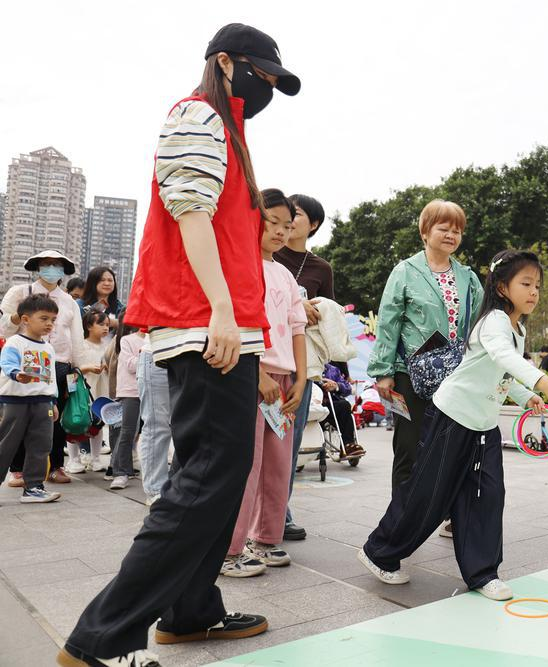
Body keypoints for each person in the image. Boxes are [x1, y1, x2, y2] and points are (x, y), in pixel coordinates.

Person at [60, 23, 300, 666]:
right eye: (261, 74)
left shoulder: (229, 129)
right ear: (224, 63)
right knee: (208, 479)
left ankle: (192, 611)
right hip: (204, 323)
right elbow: (189, 211)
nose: (268, 88)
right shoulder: (197, 116)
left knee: (215, 480)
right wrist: (223, 312)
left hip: (221, 324)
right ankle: (98, 639)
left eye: (276, 82)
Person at [358, 250, 548, 600]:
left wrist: (525, 396)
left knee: (487, 495)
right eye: (526, 283)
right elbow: (503, 357)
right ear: (502, 287)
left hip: (483, 426)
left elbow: (500, 370)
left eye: (538, 285)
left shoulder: (516, 327)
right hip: (452, 417)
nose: (534, 291)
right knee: (428, 495)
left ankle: (483, 574)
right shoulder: (494, 322)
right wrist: (544, 384)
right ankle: (378, 551)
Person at [222, 188, 307, 578]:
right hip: (247, 374)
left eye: (286, 225)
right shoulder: (240, 265)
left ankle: (266, 539)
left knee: (278, 464)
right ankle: (229, 550)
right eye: (270, 222)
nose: (279, 231)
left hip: (284, 381)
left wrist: (301, 379)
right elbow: (234, 326)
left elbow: (297, 328)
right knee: (246, 464)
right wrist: (257, 374)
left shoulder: (286, 275)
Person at [368, 201, 484, 488]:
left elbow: (483, 321)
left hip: (455, 376)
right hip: (409, 374)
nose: (451, 235)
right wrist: (383, 372)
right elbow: (388, 322)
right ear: (425, 232)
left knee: (451, 446)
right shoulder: (405, 271)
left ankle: (448, 512)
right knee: (408, 446)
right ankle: (401, 516)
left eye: (457, 231)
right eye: (443, 228)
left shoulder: (468, 277)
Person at [273, 192, 333, 542]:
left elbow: (329, 316)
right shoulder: (265, 252)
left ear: (312, 225)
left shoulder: (320, 268)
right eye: (283, 216)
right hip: (262, 359)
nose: (288, 222)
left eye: (295, 216)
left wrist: (315, 310)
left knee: (289, 443)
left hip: (299, 364)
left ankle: (280, 511)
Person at [0, 250, 84, 487]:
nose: (52, 269)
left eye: (57, 265)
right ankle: (17, 470)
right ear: (37, 266)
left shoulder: (69, 301)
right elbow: (3, 328)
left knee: (53, 420)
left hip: (59, 364)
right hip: (24, 363)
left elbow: (76, 336)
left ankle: (55, 466)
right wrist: (19, 316)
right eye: (47, 264)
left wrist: (78, 367)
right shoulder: (19, 292)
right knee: (17, 422)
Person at [0, 294, 62, 504]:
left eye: (53, 320)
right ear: (25, 319)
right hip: (15, 402)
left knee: (41, 445)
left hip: (43, 402)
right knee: (6, 445)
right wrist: (17, 374)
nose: (49, 324)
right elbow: (7, 364)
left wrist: (53, 402)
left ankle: (34, 488)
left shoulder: (49, 348)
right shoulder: (14, 342)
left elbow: (50, 377)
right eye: (44, 318)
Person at [66, 310, 111, 474]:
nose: (105, 328)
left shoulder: (107, 346)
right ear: (88, 326)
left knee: (98, 424)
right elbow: (72, 369)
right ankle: (73, 459)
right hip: (81, 393)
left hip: (100, 391)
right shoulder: (80, 346)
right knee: (75, 423)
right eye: (101, 324)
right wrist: (87, 368)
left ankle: (95, 458)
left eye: (107, 324)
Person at [136, 332, 171, 506]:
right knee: (158, 426)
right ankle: (156, 490)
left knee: (188, 426)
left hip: (193, 355)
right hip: (158, 353)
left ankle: (179, 486)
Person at [108, 326, 143, 490]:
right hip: (131, 391)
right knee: (127, 431)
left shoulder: (156, 339)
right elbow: (131, 365)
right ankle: (120, 473)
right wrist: (151, 356)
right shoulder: (126, 340)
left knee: (149, 432)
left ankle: (129, 470)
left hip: (153, 390)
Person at [319, 362, 364, 458]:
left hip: (331, 405)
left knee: (345, 405)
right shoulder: (305, 367)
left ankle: (348, 445)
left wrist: (336, 386)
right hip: (312, 405)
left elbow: (348, 388)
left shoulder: (333, 370)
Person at [77, 266, 125, 335]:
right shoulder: (79, 305)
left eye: (110, 280)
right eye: (102, 280)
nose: (107, 283)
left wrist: (116, 323)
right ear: (92, 282)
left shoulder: (120, 308)